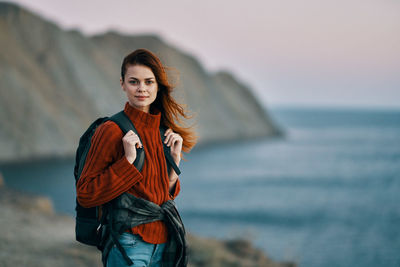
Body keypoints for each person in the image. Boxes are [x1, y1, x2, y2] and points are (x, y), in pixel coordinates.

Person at [76, 48, 197, 267]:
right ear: (122, 84)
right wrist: (128, 162)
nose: (142, 89)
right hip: (129, 244)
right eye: (134, 82)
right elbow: (86, 194)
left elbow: (161, 196)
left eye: (149, 82)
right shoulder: (111, 130)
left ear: (158, 85)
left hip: (165, 245)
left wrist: (174, 163)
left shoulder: (162, 131)